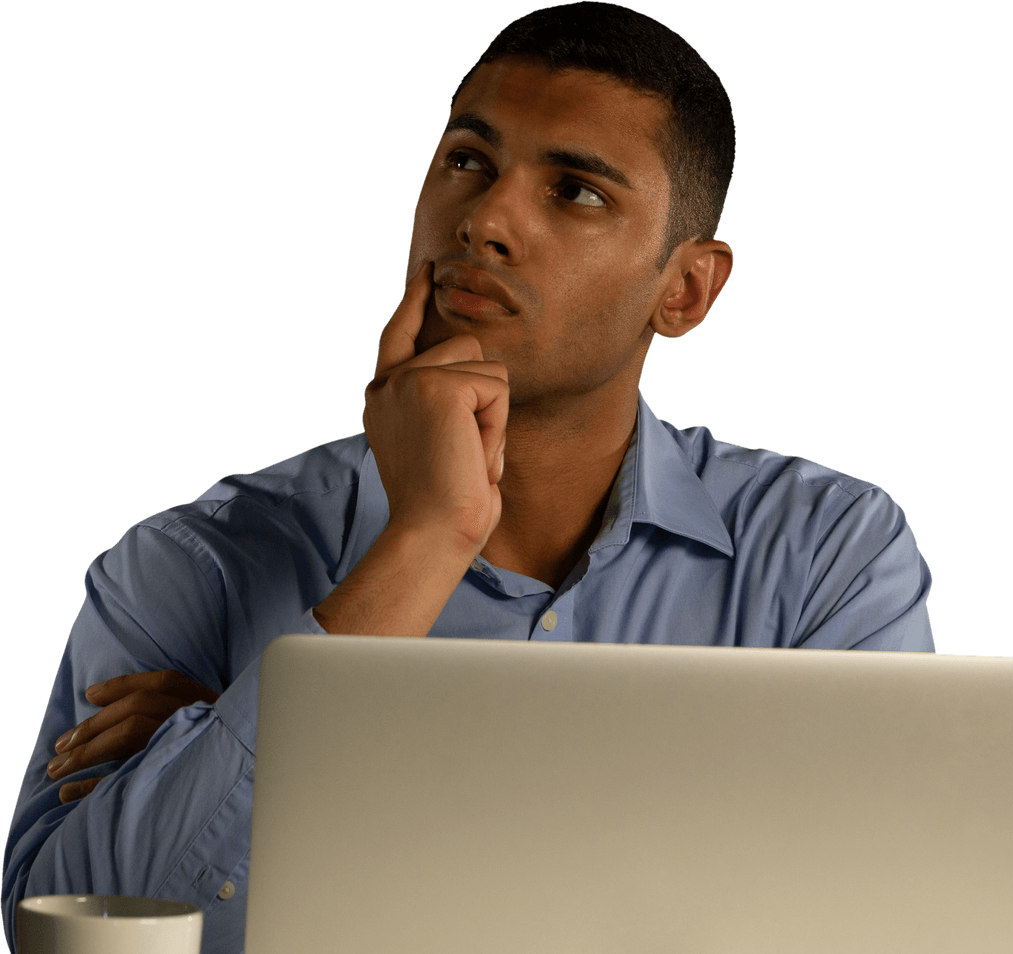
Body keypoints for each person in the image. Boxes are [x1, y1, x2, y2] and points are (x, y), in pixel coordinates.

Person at [2, 3, 933, 951]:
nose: (484, 221)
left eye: (575, 191)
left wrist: (268, 746)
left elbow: (904, 923)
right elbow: (66, 934)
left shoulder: (828, 557)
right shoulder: (191, 564)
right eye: (467, 161)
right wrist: (425, 540)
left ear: (685, 290)